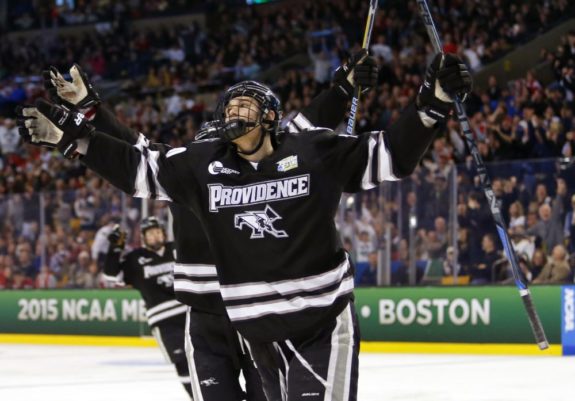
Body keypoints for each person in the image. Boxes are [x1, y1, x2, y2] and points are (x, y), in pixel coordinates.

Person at [20, 52, 472, 400]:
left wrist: (426, 106)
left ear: (271, 118)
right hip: (240, 322)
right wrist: (75, 134)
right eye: (228, 109)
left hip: (312, 319)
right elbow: (133, 161)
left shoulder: (309, 149)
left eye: (246, 107)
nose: (233, 116)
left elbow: (381, 151)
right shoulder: (198, 165)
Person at [103, 216, 192, 398]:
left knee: (204, 358)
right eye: (151, 233)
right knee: (182, 362)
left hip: (192, 314)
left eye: (158, 231)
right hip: (164, 322)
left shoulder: (177, 249)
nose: (156, 235)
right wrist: (114, 249)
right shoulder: (135, 259)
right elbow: (111, 276)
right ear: (144, 237)